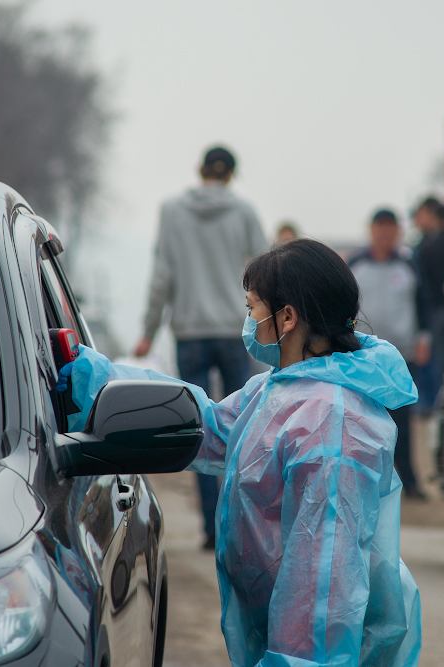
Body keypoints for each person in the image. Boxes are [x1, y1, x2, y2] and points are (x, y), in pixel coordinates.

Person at [59, 239, 422, 667]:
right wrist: (95, 379)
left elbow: (322, 583)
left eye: (252, 308)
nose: (248, 321)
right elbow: (211, 428)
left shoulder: (331, 426)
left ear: (286, 317)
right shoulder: (283, 389)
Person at [133, 145, 269, 550]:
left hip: (189, 329)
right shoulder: (244, 211)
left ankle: (211, 529)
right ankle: (238, 523)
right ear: (231, 174)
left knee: (200, 428)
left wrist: (148, 330)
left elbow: (162, 274)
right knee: (241, 429)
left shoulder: (172, 210)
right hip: (233, 329)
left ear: (200, 170)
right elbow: (268, 267)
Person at [349, 208, 429, 499]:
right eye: (379, 228)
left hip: (400, 358)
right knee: (363, 420)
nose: (385, 234)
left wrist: (424, 338)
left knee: (403, 422)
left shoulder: (409, 266)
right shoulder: (356, 265)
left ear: (398, 232)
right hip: (363, 356)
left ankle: (409, 481)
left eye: (390, 228)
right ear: (371, 231)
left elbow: (423, 305)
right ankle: (366, 482)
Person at [410, 197, 444, 408]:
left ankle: (440, 406)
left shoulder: (426, 247)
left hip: (437, 313)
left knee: (440, 366)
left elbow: (421, 286)